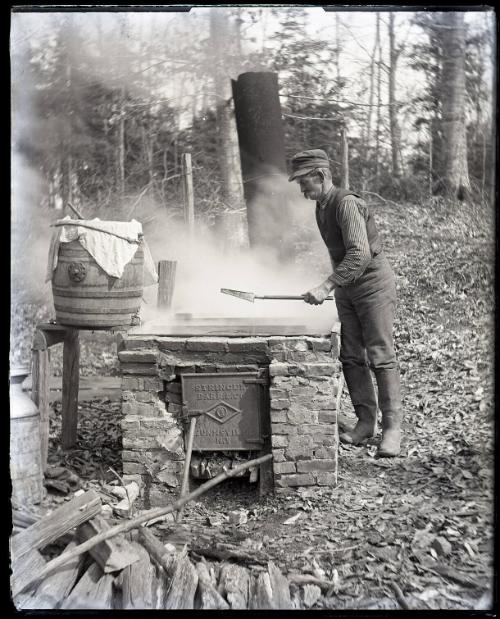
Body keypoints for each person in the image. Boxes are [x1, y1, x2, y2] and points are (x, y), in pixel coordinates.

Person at [288, 148, 402, 457]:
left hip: (373, 285)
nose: (301, 189)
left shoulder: (347, 204)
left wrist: (326, 284)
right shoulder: (321, 206)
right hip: (348, 288)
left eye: (304, 182)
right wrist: (335, 287)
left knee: (380, 355)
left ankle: (392, 429)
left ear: (322, 176)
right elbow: (340, 254)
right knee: (351, 356)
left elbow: (360, 254)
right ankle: (366, 423)